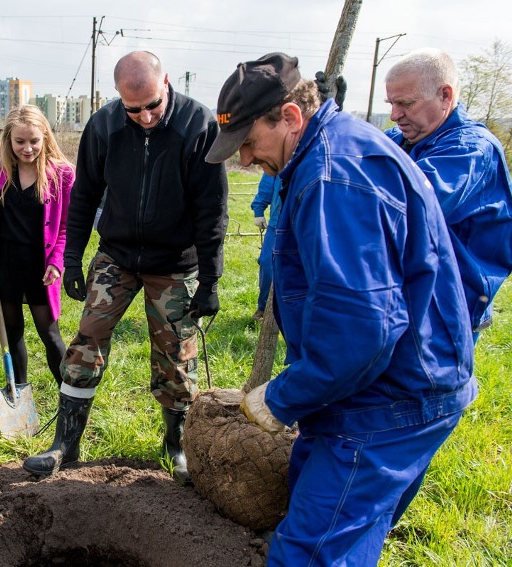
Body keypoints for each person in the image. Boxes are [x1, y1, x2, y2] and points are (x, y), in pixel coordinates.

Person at [204, 53, 476, 565]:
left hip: (389, 398)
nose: (244, 161)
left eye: (247, 143)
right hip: (374, 385)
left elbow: (363, 330)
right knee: (338, 522)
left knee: (311, 550)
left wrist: (282, 397)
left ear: (289, 117)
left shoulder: (333, 178)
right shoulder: (324, 151)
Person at [22, 51, 229, 485]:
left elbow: (212, 210)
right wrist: (73, 257)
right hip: (117, 256)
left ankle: (178, 448)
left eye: (153, 104)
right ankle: (66, 443)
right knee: (86, 341)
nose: (146, 117)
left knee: (175, 356)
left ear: (166, 82)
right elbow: (84, 197)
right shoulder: (104, 126)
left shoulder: (197, 125)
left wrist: (210, 279)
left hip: (175, 262)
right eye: (133, 109)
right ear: (119, 98)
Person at [385, 48, 512, 343]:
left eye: (405, 103)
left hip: (446, 311)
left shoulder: (470, 150)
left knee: (424, 389)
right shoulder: (403, 139)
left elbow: (405, 204)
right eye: (391, 103)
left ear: (445, 95)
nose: (395, 115)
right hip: (413, 300)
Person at [0, 105, 74, 388]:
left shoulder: (62, 175)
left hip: (40, 267)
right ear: (8, 139)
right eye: (20, 142)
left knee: (49, 333)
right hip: (4, 262)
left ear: (45, 137)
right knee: (11, 330)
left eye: (34, 141)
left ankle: (71, 394)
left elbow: (66, 227)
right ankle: (18, 389)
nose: (27, 149)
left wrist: (56, 261)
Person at [249, 173, 282, 321]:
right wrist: (259, 210)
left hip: (304, 226)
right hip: (277, 224)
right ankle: (263, 308)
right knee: (267, 263)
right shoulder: (281, 156)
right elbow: (268, 182)